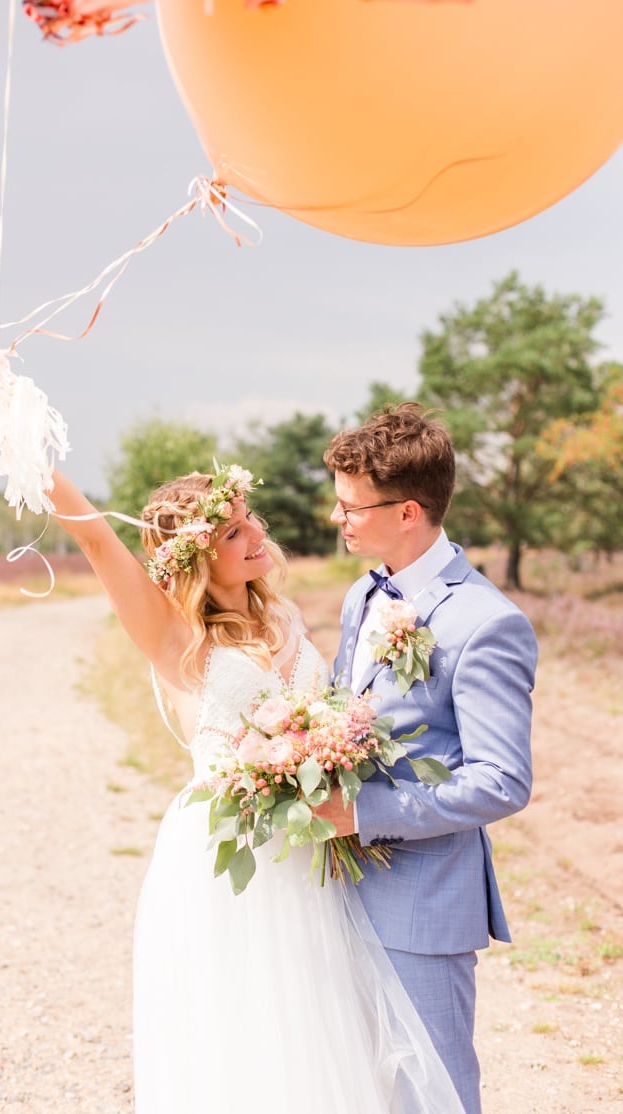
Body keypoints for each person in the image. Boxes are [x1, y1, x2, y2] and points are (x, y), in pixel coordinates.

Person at [46, 465, 464, 1113]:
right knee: (249, 1030)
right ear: (195, 557)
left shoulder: (286, 615)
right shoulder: (174, 637)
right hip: (230, 859)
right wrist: (28, 447)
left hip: (309, 846)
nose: (253, 536)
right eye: (232, 531)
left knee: (323, 1023)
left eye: (250, 520)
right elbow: (100, 541)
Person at [316, 403, 536, 1114]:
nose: (338, 518)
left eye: (353, 506)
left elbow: (501, 780)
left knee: (432, 1095)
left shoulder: (486, 622)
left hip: (423, 905)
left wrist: (364, 812)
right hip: (340, 894)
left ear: (409, 511)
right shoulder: (362, 594)